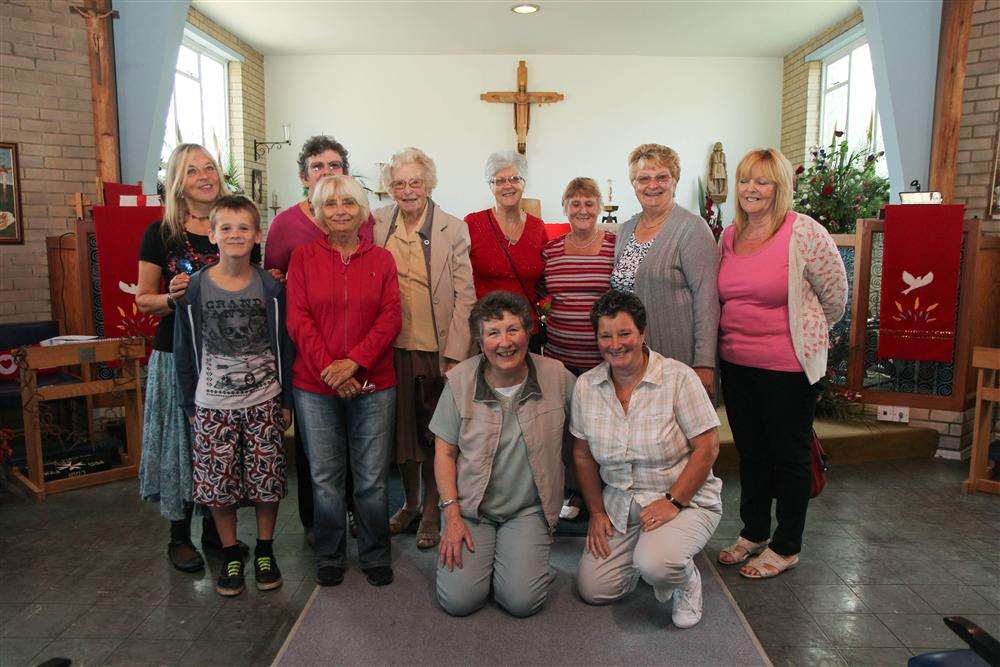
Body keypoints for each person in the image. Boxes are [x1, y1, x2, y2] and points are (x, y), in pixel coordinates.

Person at [716, 148, 847, 579]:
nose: (752, 189)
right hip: (737, 362)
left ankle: (787, 544)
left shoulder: (803, 232)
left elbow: (835, 295)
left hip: (788, 367)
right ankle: (754, 531)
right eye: (745, 180)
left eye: (763, 181)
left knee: (789, 456)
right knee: (751, 452)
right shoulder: (729, 235)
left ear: (780, 187)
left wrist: (807, 334)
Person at [136, 143, 260, 572]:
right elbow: (143, 301)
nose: (205, 175)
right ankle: (178, 536)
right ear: (178, 181)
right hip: (178, 354)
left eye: (210, 167)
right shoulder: (161, 233)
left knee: (222, 449)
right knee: (181, 444)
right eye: (193, 170)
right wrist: (172, 299)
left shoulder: (236, 224)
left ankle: (216, 536)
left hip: (230, 358)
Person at [571, 290, 722, 628]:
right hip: (622, 505)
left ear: (642, 333)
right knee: (594, 589)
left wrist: (673, 501)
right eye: (605, 335)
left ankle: (682, 578)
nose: (615, 344)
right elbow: (582, 455)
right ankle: (649, 557)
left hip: (683, 499)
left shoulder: (678, 378)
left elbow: (708, 447)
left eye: (624, 333)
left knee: (658, 564)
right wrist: (595, 511)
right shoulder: (586, 386)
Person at [173, 195, 293, 596]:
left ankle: (264, 549)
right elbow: (184, 349)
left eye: (244, 228)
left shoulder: (271, 286)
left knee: (266, 482)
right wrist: (190, 404)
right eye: (226, 228)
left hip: (264, 400)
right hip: (212, 405)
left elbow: (284, 345)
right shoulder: (194, 289)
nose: (235, 235)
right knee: (217, 486)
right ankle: (229, 553)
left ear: (257, 235)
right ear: (212, 235)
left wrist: (286, 400)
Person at [286, 175, 401, 588]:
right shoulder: (302, 258)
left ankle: (374, 553)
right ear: (318, 212)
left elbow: (391, 319)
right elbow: (298, 319)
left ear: (362, 209)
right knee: (324, 477)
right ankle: (330, 554)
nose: (340, 210)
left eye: (348, 203)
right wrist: (331, 370)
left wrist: (354, 363)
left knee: (371, 478)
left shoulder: (382, 260)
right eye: (330, 204)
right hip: (316, 386)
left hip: (373, 382)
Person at [431, 291, 575, 617]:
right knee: (459, 601)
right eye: (493, 333)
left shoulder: (557, 377)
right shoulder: (459, 381)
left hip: (527, 510)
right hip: (470, 511)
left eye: (513, 329)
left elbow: (589, 427)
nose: (504, 342)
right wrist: (451, 515)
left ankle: (516, 563)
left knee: (522, 602)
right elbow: (444, 453)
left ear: (528, 332)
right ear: (480, 342)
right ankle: (496, 563)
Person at [264, 135, 370, 543]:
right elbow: (274, 278)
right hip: (306, 341)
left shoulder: (363, 216)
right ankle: (318, 523)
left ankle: (359, 514)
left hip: (357, 345)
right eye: (317, 166)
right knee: (317, 440)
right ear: (303, 176)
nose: (327, 172)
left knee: (357, 438)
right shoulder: (286, 223)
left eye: (334, 165)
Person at [373, 147, 476, 550]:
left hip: (435, 350)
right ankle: (410, 503)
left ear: (429, 183)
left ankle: (434, 508)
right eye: (399, 183)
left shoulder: (453, 228)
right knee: (399, 434)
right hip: (389, 348)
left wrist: (454, 353)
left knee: (435, 435)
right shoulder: (379, 222)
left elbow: (465, 296)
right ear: (390, 188)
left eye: (415, 181)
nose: (408, 190)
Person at [610, 143, 719, 397]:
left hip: (678, 357)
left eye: (662, 177)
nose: (653, 185)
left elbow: (707, 300)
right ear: (634, 184)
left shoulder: (692, 229)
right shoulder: (626, 229)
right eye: (643, 179)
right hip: (632, 358)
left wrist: (704, 362)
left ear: (675, 180)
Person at [464, 151, 547, 352]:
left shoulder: (538, 227)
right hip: (488, 333)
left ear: (524, 182)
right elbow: (461, 282)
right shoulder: (472, 224)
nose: (508, 185)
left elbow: (546, 281)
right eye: (499, 180)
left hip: (526, 331)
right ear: (490, 186)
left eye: (514, 178)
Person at [541, 177, 616, 375]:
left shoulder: (615, 247)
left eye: (589, 203)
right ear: (565, 208)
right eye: (575, 204)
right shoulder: (550, 251)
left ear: (599, 207)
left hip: (605, 361)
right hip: (557, 361)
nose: (583, 210)